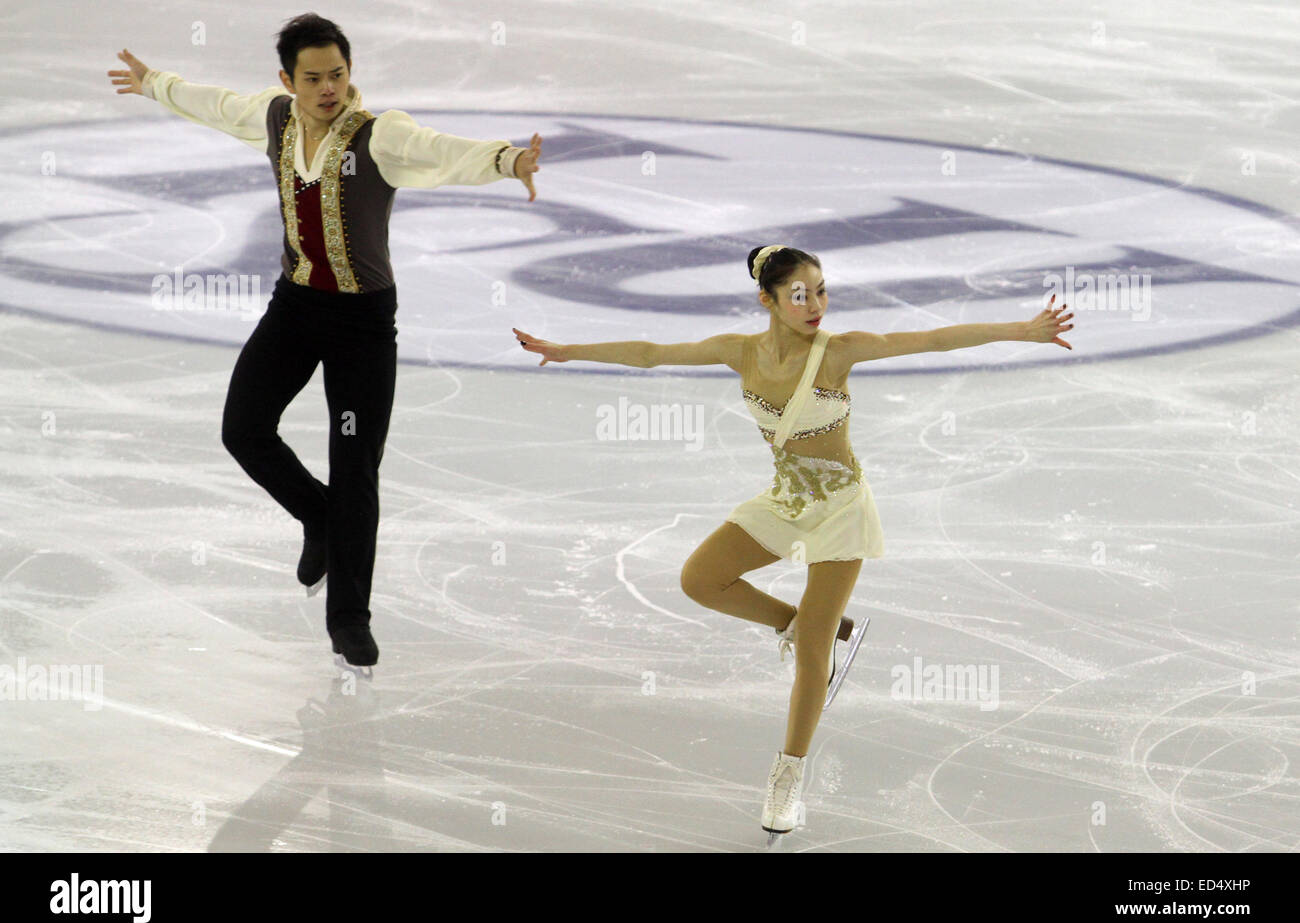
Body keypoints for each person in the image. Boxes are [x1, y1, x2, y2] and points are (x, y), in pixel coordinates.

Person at [513, 244, 1074, 834]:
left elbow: (931, 340)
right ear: (769, 300)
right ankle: (804, 624)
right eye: (801, 294)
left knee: (812, 655)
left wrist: (1024, 330)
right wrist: (569, 350)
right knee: (700, 579)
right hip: (785, 501)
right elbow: (653, 354)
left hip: (839, 509)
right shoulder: (740, 353)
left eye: (822, 291)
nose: (816, 305)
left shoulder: (840, 352)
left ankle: (788, 775)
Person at [107, 14, 542, 676]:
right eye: (312, 78)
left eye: (337, 74)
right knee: (243, 428)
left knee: (355, 463)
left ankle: (349, 617)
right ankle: (319, 518)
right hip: (298, 305)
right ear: (289, 79)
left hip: (362, 324)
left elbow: (439, 150)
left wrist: (508, 160)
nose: (328, 88)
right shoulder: (276, 118)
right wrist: (156, 84)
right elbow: (216, 106)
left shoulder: (380, 135)